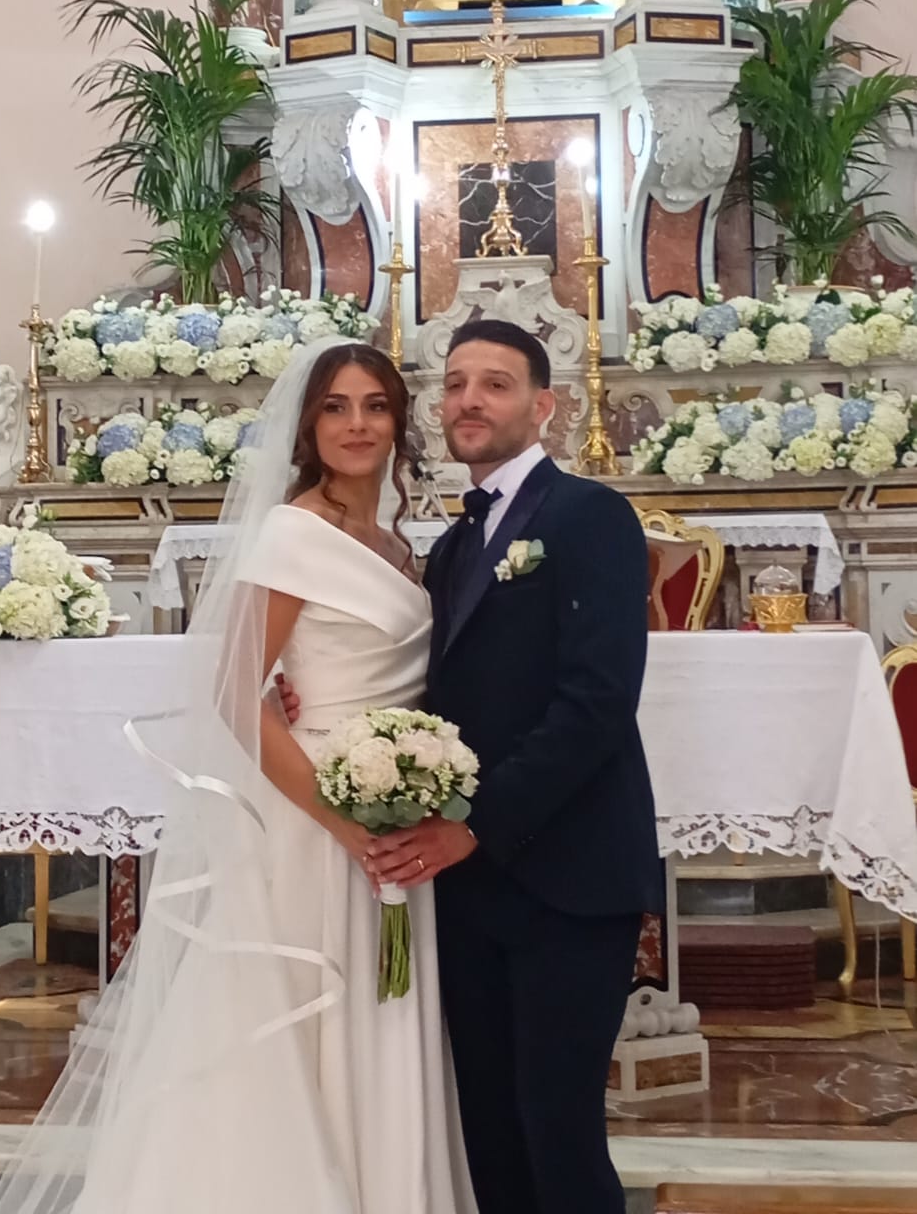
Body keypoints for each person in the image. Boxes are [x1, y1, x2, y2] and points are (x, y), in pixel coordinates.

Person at [0, 338, 474, 1214]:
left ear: (401, 422)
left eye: (375, 406)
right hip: (318, 821)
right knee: (299, 1027)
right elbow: (234, 693)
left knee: (374, 1020)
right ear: (307, 427)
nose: (357, 424)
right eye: (335, 407)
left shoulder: (396, 544)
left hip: (394, 814)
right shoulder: (294, 532)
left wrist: (406, 789)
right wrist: (344, 823)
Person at [369, 319, 664, 1214]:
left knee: (558, 1136)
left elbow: (597, 701)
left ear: (545, 407)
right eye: (456, 383)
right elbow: (436, 689)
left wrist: (475, 825)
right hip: (472, 891)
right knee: (490, 1138)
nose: (469, 400)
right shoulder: (457, 545)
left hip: (567, 877)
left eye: (495, 384)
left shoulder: (589, 515)